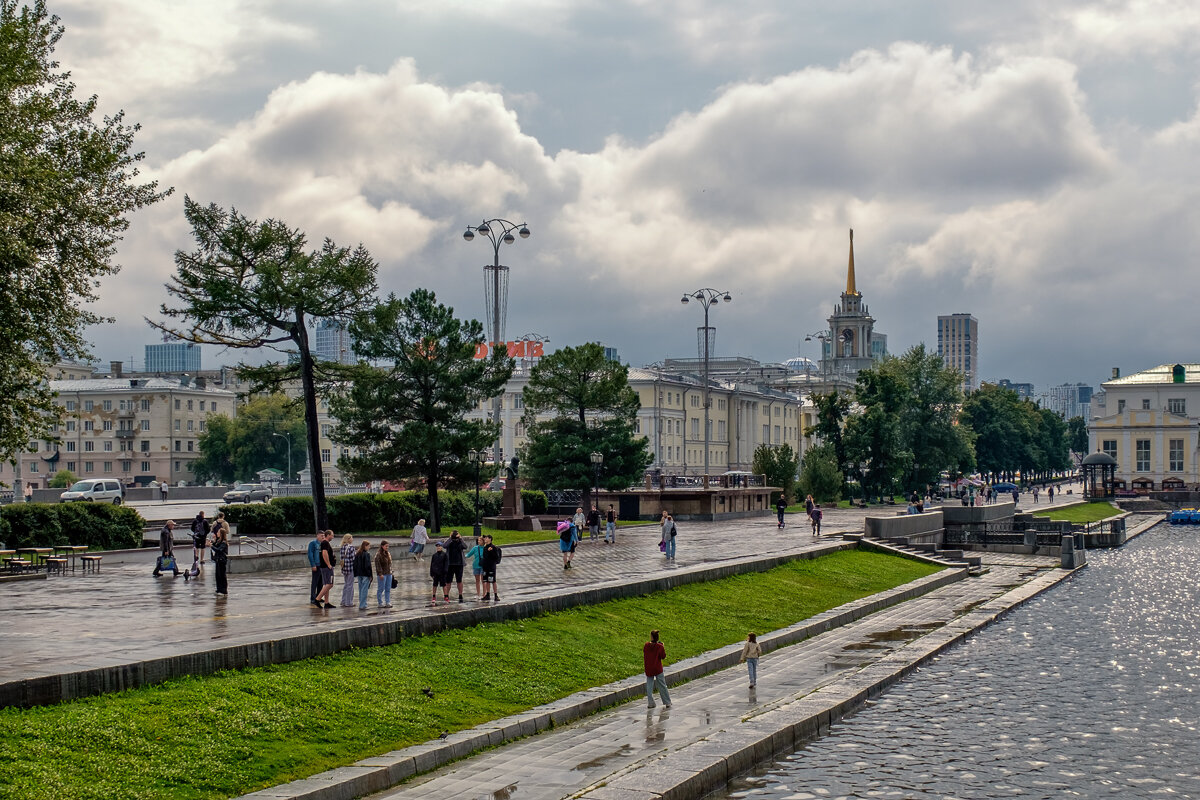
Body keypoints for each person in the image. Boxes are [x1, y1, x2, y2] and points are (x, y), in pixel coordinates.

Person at [643, 630, 671, 709]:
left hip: (649, 668)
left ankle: (651, 703)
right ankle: (667, 702)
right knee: (662, 685)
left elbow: (645, 651)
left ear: (652, 637)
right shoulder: (660, 646)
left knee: (649, 686)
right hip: (657, 668)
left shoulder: (646, 645)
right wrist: (662, 646)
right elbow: (663, 656)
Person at [315, 530, 336, 609]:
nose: (333, 537)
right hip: (326, 567)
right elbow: (324, 553)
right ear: (328, 535)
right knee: (330, 584)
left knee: (326, 584)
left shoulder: (324, 543)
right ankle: (317, 599)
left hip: (325, 567)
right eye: (332, 535)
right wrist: (328, 564)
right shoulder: (325, 543)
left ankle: (326, 603)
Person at [445, 530, 467, 602]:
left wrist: (460, 539)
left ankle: (460, 595)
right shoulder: (450, 541)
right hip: (450, 564)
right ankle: (446, 595)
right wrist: (450, 538)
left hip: (459, 564)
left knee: (459, 580)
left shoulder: (460, 541)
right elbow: (444, 545)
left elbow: (465, 546)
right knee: (448, 581)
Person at [480, 534, 502, 601]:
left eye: (486, 538)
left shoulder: (493, 547)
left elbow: (496, 557)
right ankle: (488, 594)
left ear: (490, 539)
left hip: (491, 567)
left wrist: (491, 551)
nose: (485, 539)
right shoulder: (485, 547)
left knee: (493, 581)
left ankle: (496, 595)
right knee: (487, 581)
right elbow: (485, 556)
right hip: (485, 566)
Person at [352, 540, 373, 610]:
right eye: (368, 546)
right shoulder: (366, 554)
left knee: (361, 589)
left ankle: (362, 603)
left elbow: (355, 564)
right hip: (365, 574)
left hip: (359, 573)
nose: (369, 547)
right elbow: (367, 565)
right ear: (365, 546)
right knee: (364, 590)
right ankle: (363, 605)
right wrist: (370, 575)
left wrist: (355, 573)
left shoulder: (358, 553)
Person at [338, 533, 356, 607]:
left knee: (346, 584)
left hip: (344, 568)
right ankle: (349, 602)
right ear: (349, 539)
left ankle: (343, 601)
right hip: (350, 567)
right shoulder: (351, 547)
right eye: (351, 538)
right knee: (350, 585)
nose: (352, 539)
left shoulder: (342, 547)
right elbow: (353, 558)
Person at [211, 523, 229, 596]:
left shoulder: (224, 542)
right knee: (218, 575)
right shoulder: (219, 541)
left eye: (218, 532)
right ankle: (219, 589)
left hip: (222, 560)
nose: (217, 533)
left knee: (222, 575)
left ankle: (224, 589)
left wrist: (211, 546)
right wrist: (213, 541)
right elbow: (215, 546)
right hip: (218, 560)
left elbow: (218, 550)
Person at [466, 535, 485, 600]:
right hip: (476, 565)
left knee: (483, 580)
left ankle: (484, 594)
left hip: (483, 566)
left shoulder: (485, 548)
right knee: (477, 580)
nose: (479, 541)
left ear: (483, 541)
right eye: (478, 540)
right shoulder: (475, 548)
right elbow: (469, 554)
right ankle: (478, 594)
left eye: (480, 540)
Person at [307, 529, 323, 604]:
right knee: (315, 582)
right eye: (321, 535)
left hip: (322, 565)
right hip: (316, 564)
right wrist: (313, 565)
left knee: (321, 582)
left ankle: (318, 597)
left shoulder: (323, 544)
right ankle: (313, 598)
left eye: (324, 536)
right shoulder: (313, 543)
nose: (323, 537)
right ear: (317, 536)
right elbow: (310, 554)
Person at [375, 540, 393, 608]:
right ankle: (380, 602)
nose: (387, 547)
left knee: (388, 588)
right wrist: (380, 573)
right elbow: (378, 565)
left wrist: (391, 572)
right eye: (386, 546)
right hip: (382, 574)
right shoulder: (378, 555)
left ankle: (387, 602)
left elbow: (390, 564)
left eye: (388, 546)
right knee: (381, 588)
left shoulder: (388, 553)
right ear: (382, 546)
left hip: (389, 573)